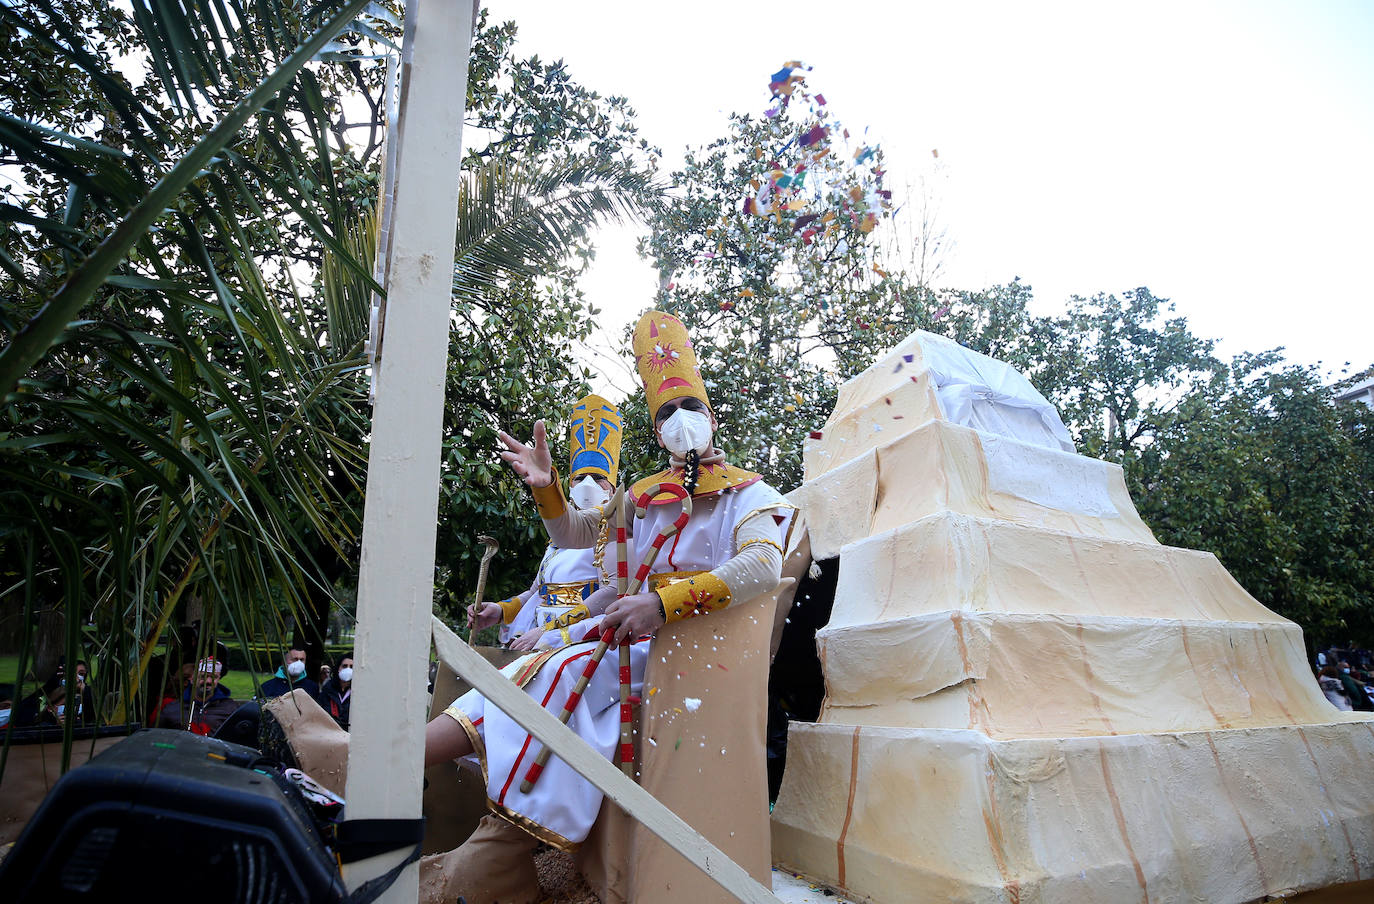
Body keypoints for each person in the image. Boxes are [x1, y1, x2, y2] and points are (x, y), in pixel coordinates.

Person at [420, 310, 793, 904]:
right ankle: (395, 767)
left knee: (559, 670)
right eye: (665, 413)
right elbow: (571, 533)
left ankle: (498, 848)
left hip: (695, 653)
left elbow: (762, 567)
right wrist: (545, 484)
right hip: (625, 634)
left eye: (688, 407)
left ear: (712, 415)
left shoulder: (750, 493)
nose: (678, 421)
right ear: (654, 427)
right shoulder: (640, 498)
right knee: (527, 667)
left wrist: (662, 604)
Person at [468, 394, 622, 653]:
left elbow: (613, 593)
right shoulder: (557, 539)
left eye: (597, 478)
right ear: (569, 485)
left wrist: (552, 632)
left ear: (612, 488)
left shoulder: (616, 529)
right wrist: (500, 611)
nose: (587, 485)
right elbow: (538, 592)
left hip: (586, 642)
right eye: (580, 477)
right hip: (539, 638)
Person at [158, 657, 240, 735]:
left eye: (213, 677)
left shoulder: (231, 708)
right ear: (192, 679)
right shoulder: (172, 708)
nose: (208, 681)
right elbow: (159, 737)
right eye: (203, 676)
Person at [317, 652, 354, 730]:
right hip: (329, 735)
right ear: (338, 668)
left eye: (351, 667)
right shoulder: (327, 689)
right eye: (344, 666)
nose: (348, 669)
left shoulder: (359, 692)